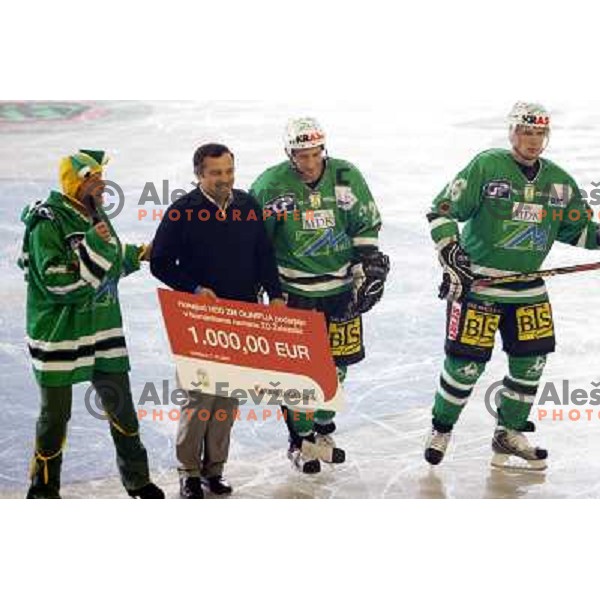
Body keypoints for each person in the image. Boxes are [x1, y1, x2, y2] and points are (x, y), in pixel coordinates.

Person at [425, 101, 600, 470]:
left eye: (539, 133)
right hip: (481, 286)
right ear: (511, 132)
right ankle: (441, 428)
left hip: (529, 290)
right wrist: (450, 252)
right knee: (464, 367)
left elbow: (581, 230)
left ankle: (509, 432)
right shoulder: (487, 166)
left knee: (530, 364)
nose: (533, 141)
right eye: (525, 131)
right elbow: (440, 211)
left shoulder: (558, 181)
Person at [19, 149, 164, 499]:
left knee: (123, 411)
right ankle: (43, 489)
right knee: (54, 420)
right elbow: (57, 283)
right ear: (74, 183)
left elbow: (108, 262)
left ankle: (138, 480)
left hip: (102, 330)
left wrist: (139, 253)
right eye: (93, 178)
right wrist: (96, 246)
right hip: (59, 337)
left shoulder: (96, 214)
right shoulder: (46, 222)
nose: (102, 185)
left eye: (101, 177)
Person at [250, 118, 389, 474]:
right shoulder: (270, 185)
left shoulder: (346, 176)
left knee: (338, 367)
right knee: (299, 373)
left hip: (341, 289)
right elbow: (256, 243)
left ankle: (324, 430)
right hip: (293, 293)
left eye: (314, 154)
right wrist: (259, 289)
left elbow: (364, 224)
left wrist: (368, 266)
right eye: (301, 156)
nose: (309, 164)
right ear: (288, 153)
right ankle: (300, 440)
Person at [151, 143, 284, 499]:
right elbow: (160, 263)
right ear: (199, 175)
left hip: (241, 316)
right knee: (199, 398)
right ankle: (189, 472)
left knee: (227, 399)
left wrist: (276, 293)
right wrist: (193, 288)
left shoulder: (246, 205)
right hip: (199, 320)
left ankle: (215, 470)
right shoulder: (182, 212)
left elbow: (263, 254)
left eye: (228, 171)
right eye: (215, 173)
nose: (224, 179)